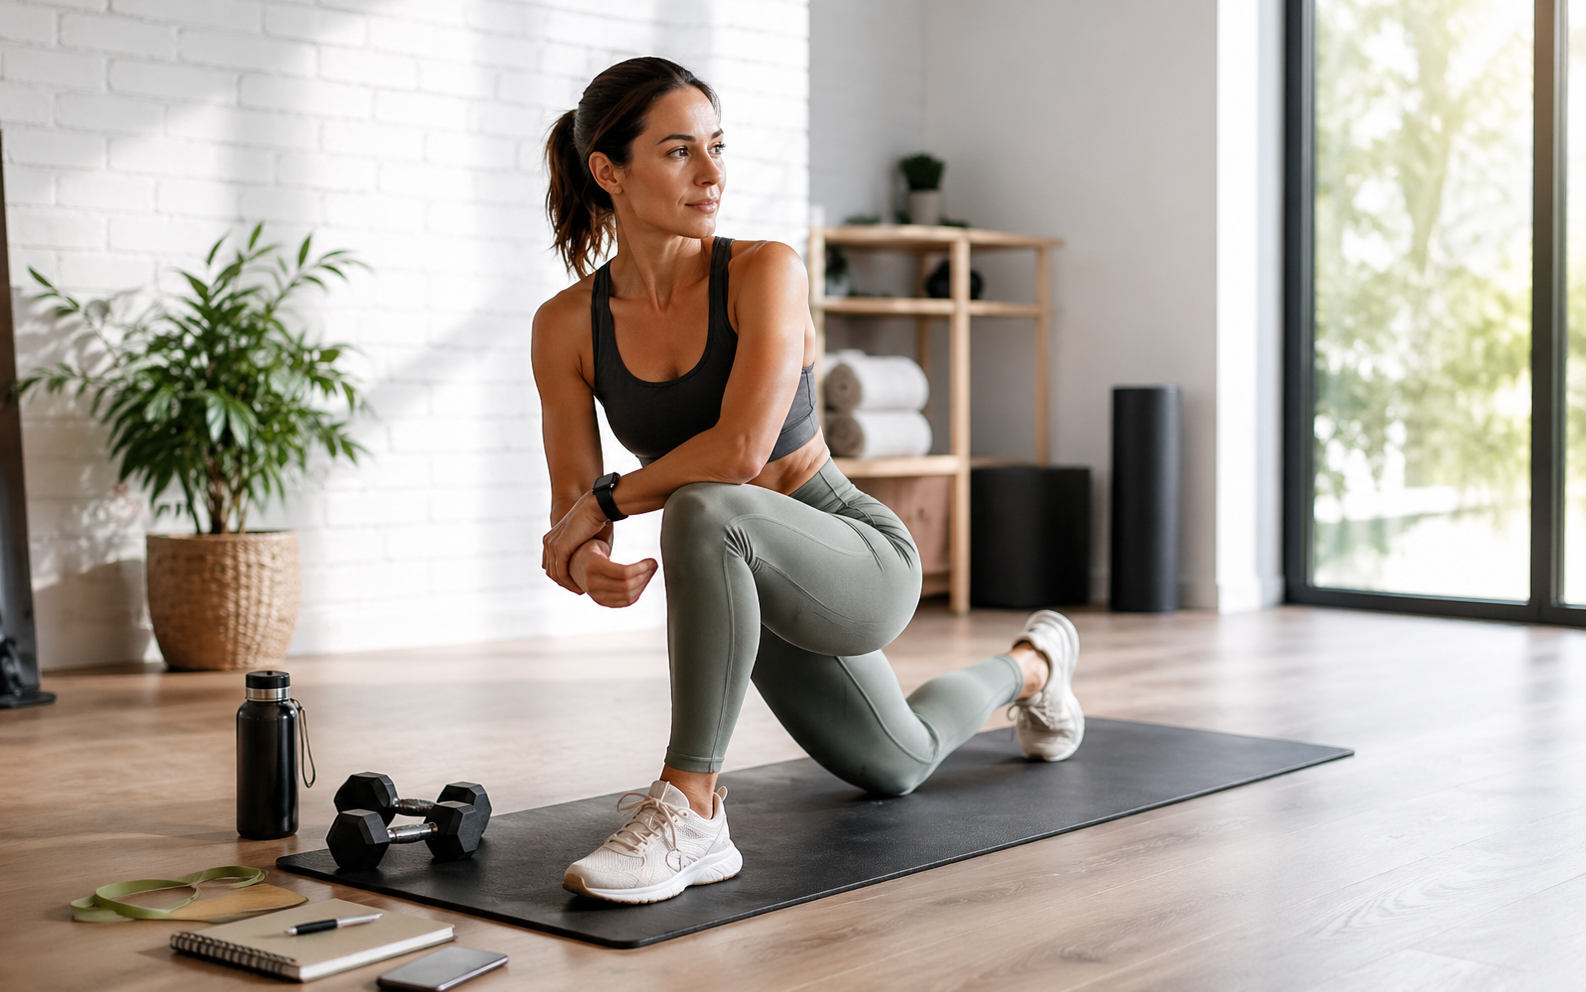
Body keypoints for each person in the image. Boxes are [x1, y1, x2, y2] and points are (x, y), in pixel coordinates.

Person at [532, 57, 1085, 906]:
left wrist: (602, 506)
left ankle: (692, 808)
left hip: (855, 554)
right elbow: (575, 506)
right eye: (680, 152)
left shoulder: (765, 271)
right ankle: (1037, 664)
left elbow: (741, 451)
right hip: (746, 574)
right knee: (896, 762)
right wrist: (583, 559)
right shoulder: (567, 324)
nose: (713, 173)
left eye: (717, 146)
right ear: (609, 171)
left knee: (705, 507)